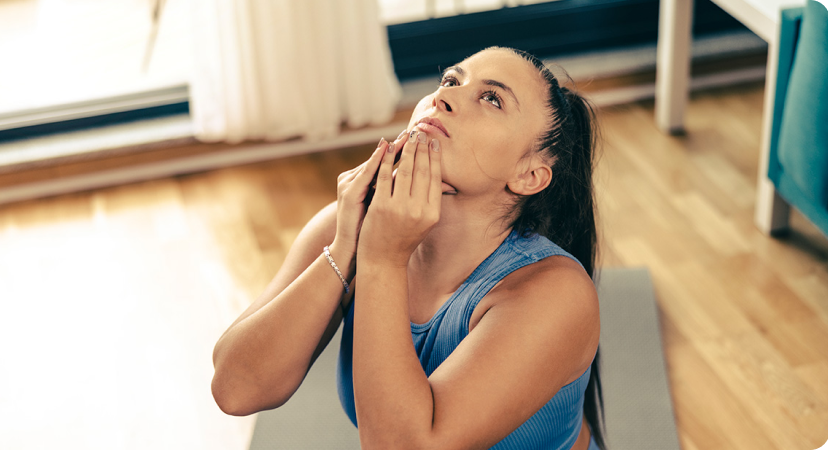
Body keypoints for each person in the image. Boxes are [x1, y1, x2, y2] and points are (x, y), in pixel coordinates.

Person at [211, 47, 605, 450]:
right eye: (450, 81)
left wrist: (381, 259)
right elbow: (236, 388)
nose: (444, 97)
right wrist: (349, 247)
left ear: (529, 175)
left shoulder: (557, 294)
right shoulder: (347, 225)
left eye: (492, 98)